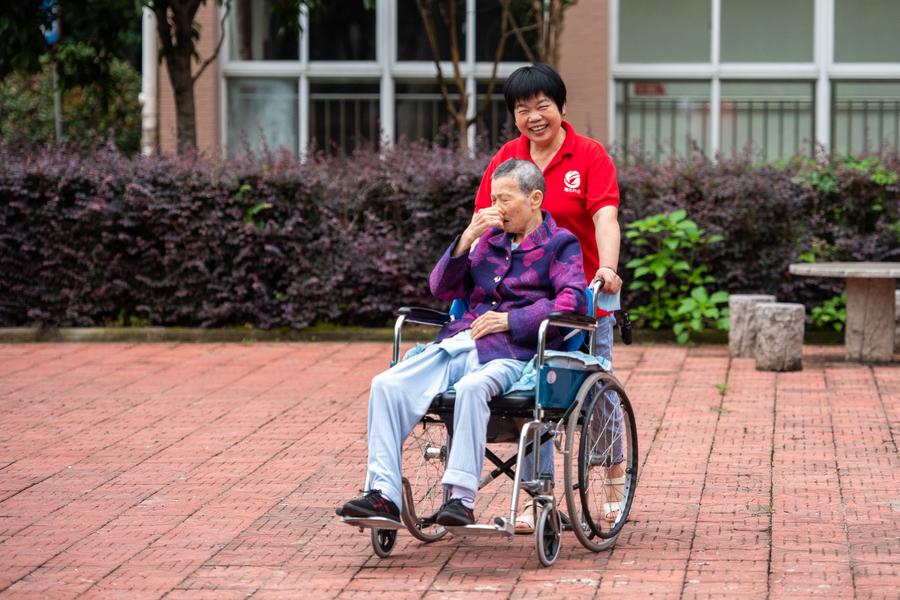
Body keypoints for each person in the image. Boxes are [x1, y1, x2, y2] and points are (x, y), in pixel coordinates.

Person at [340, 159, 587, 527]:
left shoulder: (560, 244)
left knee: (473, 389)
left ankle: (460, 498)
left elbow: (572, 302)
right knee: (386, 384)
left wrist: (511, 319)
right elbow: (442, 287)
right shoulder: (488, 241)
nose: (495, 208)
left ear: (535, 198)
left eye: (505, 199)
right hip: (459, 343)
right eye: (492, 199)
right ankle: (383, 495)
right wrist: (466, 239)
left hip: (511, 353)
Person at [473, 63, 625, 531]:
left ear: (561, 107)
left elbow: (604, 217)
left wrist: (607, 267)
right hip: (522, 299)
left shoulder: (588, 155)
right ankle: (538, 498)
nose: (534, 116)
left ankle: (615, 475)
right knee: (535, 393)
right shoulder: (509, 157)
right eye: (523, 109)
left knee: (593, 387)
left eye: (543, 105)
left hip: (579, 296)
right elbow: (484, 218)